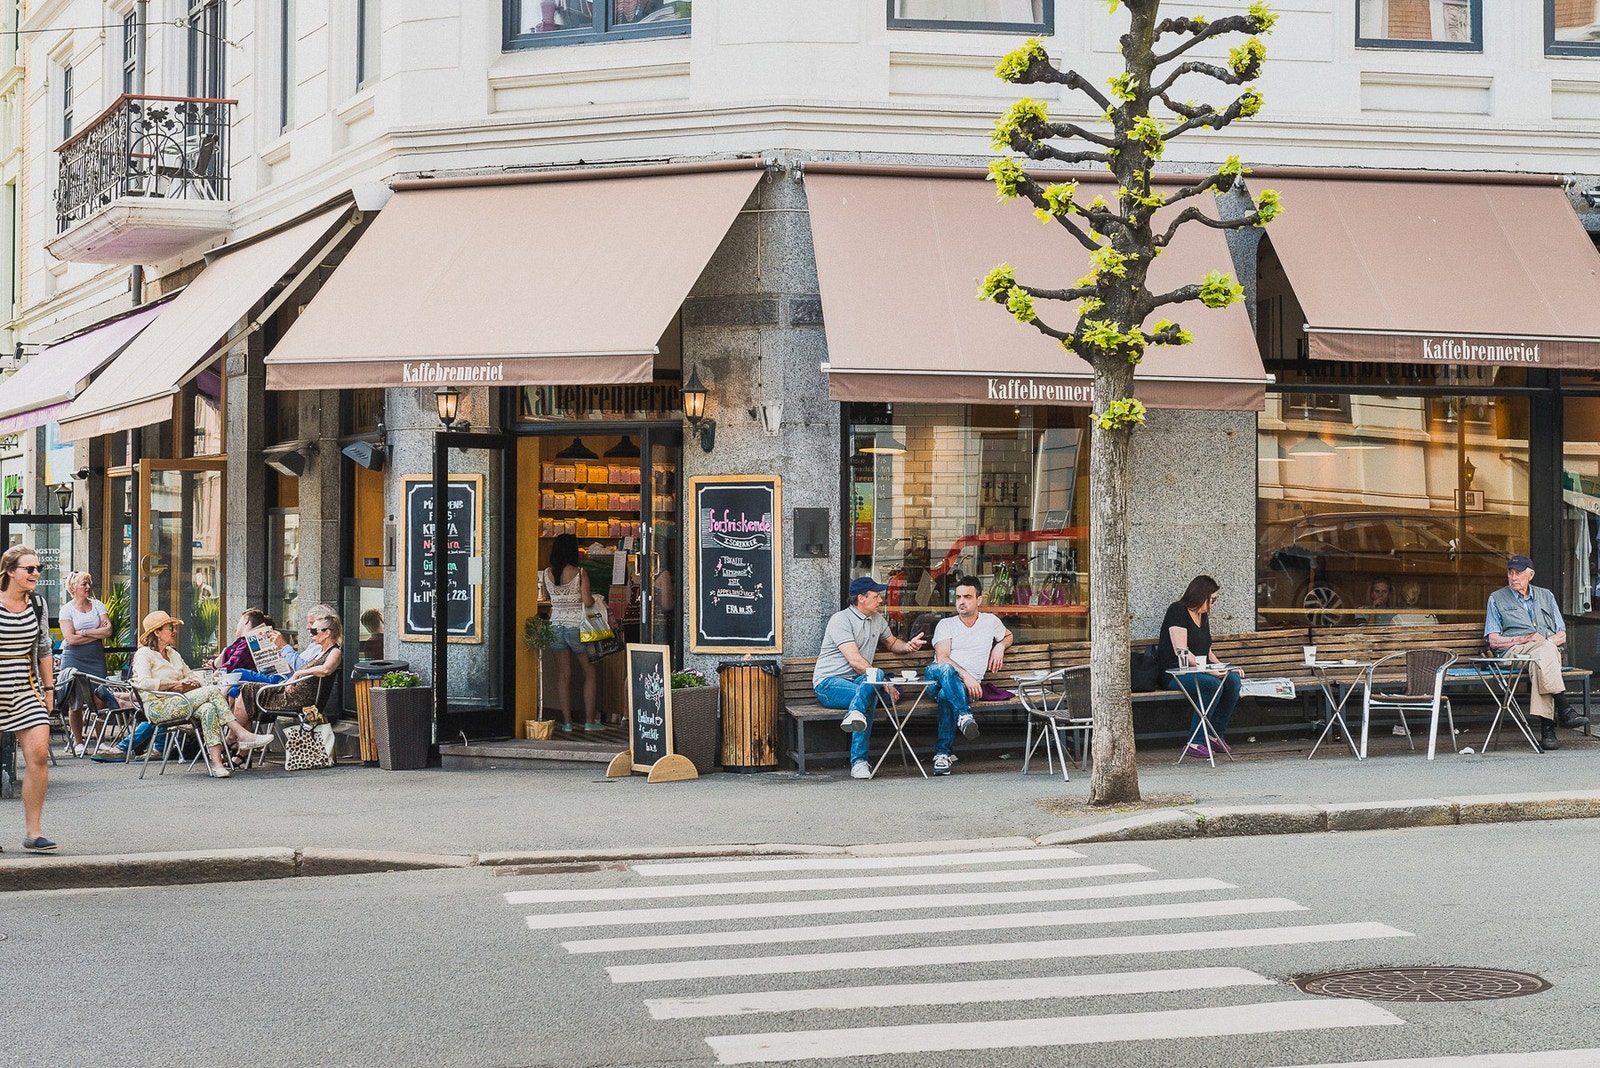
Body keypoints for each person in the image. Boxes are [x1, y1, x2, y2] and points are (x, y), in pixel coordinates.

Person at [131, 611, 274, 778]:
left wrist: (192, 682)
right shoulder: (144, 654)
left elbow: (191, 675)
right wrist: (175, 684)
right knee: (213, 692)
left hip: (181, 701)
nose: (175, 631)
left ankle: (217, 764)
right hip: (158, 706)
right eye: (170, 628)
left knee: (208, 709)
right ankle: (241, 734)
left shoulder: (172, 653)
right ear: (157, 632)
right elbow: (142, 683)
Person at [812, 576, 927, 780]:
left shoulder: (877, 620)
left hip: (861, 683)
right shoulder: (841, 620)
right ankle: (859, 761)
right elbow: (856, 661)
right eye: (876, 596)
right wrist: (882, 684)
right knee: (872, 690)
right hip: (829, 684)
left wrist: (908, 646)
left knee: (869, 691)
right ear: (861, 599)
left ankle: (855, 719)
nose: (881, 600)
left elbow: (892, 643)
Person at [1485, 553, 1590, 751]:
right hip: (1513, 653)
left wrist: (1544, 643)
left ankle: (1549, 732)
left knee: (1540, 661)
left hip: (1541, 654)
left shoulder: (1546, 596)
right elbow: (1494, 640)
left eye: (1518, 573)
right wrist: (1526, 638)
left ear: (1530, 575)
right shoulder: (1496, 598)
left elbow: (1562, 635)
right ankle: (1562, 710)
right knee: (1546, 655)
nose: (1513, 577)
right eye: (1510, 572)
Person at [0, 546, 57, 852]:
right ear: (10, 571)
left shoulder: (37, 603)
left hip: (26, 686)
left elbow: (45, 647)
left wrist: (49, 692)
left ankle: (33, 832)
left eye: (38, 568)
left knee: (38, 754)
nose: (36, 574)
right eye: (29, 569)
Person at [925, 576, 1011, 775]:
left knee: (948, 696)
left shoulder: (990, 622)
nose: (961, 602)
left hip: (961, 689)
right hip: (936, 679)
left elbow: (1008, 635)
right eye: (958, 597)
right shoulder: (946, 624)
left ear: (979, 600)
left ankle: (942, 755)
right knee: (947, 671)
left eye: (967, 597)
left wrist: (1000, 646)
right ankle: (964, 715)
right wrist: (967, 676)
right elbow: (943, 658)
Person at [1155, 575, 1245, 760]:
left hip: (1200, 669)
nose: (1212, 604)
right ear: (1200, 595)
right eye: (1211, 599)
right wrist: (1207, 670)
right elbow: (1182, 651)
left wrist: (1223, 667)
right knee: (1210, 684)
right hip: (1176, 672)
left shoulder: (1203, 615)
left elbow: (1207, 649)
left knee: (1233, 681)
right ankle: (1195, 741)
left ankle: (1214, 735)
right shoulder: (1178, 610)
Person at [235, 612, 343, 730]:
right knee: (246, 690)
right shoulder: (319, 651)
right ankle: (242, 742)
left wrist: (297, 674)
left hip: (299, 699)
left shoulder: (335, 652)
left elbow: (326, 669)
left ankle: (233, 738)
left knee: (247, 690)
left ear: (327, 633)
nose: (311, 634)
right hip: (293, 692)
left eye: (314, 631)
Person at [542, 532, 600, 732]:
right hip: (577, 627)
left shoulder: (546, 573)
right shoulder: (580, 573)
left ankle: (566, 723)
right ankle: (589, 722)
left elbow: (545, 597)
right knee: (589, 672)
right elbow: (588, 602)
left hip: (555, 626)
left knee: (563, 675)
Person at [57, 570, 117, 756]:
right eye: (84, 584)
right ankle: (78, 741)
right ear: (74, 587)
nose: (88, 587)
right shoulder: (67, 609)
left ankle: (100, 741)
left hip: (95, 657)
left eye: (89, 583)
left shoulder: (98, 605)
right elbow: (70, 639)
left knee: (99, 698)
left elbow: (108, 631)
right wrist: (93, 633)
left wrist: (82, 632)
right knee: (76, 700)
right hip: (74, 657)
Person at [270, 604, 337, 673]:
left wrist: (283, 646)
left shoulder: (328, 649)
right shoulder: (316, 644)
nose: (307, 627)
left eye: (312, 623)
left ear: (326, 633)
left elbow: (302, 668)